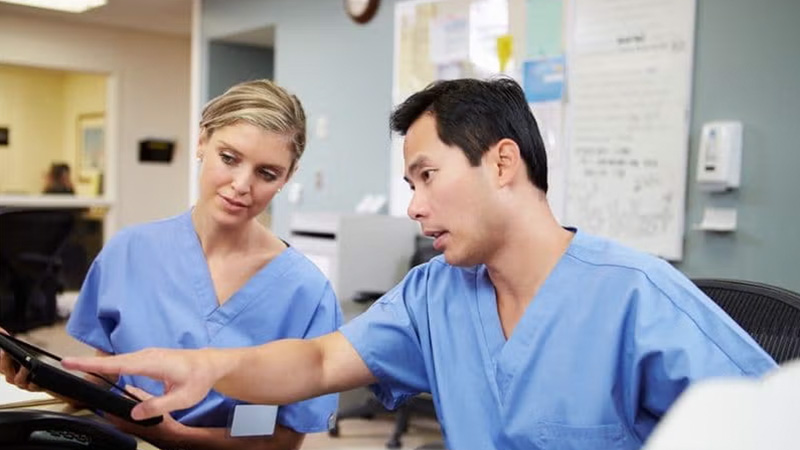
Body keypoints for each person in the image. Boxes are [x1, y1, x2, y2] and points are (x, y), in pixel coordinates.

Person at [61, 78, 776, 450]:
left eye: (427, 177)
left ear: (502, 163)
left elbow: (776, 426)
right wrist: (213, 369)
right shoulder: (437, 294)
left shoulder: (637, 298)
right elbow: (314, 365)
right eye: (409, 185)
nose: (414, 206)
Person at [2, 79, 342, 450]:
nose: (242, 184)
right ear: (201, 142)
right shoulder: (129, 251)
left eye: (267, 173)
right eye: (229, 158)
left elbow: (283, 440)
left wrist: (174, 437)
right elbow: (106, 383)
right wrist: (45, 377)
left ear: (288, 177)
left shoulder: (305, 291)